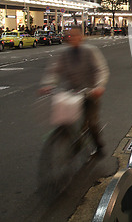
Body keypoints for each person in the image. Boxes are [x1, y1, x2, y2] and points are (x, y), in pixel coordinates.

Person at [39, 25, 109, 157]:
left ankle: (99, 146)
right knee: (65, 119)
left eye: (75, 36)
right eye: (69, 36)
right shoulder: (64, 53)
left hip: (90, 91)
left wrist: (99, 86)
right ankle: (72, 139)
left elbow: (101, 70)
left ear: (81, 37)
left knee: (91, 122)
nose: (72, 39)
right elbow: (54, 71)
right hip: (71, 91)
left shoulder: (90, 51)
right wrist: (48, 84)